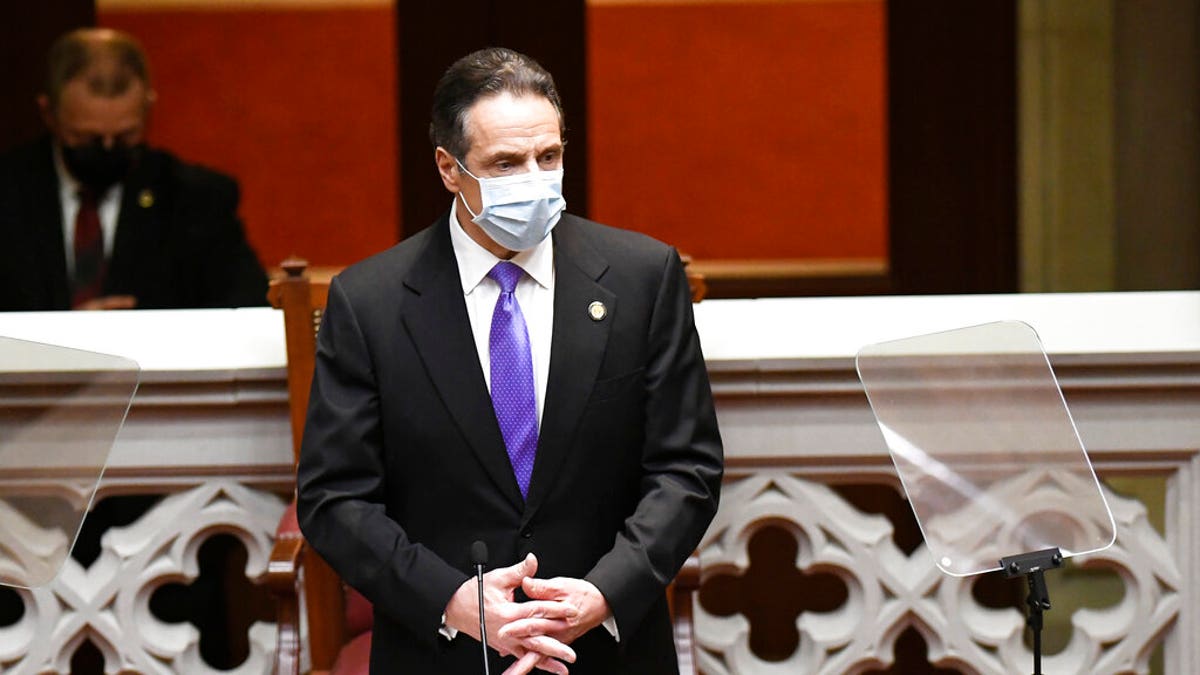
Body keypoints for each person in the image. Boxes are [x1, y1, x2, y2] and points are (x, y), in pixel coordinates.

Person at [297, 47, 723, 674]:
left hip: (606, 650)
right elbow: (335, 498)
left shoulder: (642, 278)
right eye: (505, 163)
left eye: (548, 157)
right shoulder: (371, 303)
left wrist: (605, 592)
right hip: (442, 653)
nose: (534, 179)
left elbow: (687, 467)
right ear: (449, 169)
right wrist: (454, 601)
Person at [0, 28, 268, 311]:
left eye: (126, 137)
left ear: (148, 108)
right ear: (48, 114)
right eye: (85, 139)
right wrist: (65, 334)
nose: (107, 148)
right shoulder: (8, 192)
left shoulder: (196, 200)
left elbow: (249, 310)